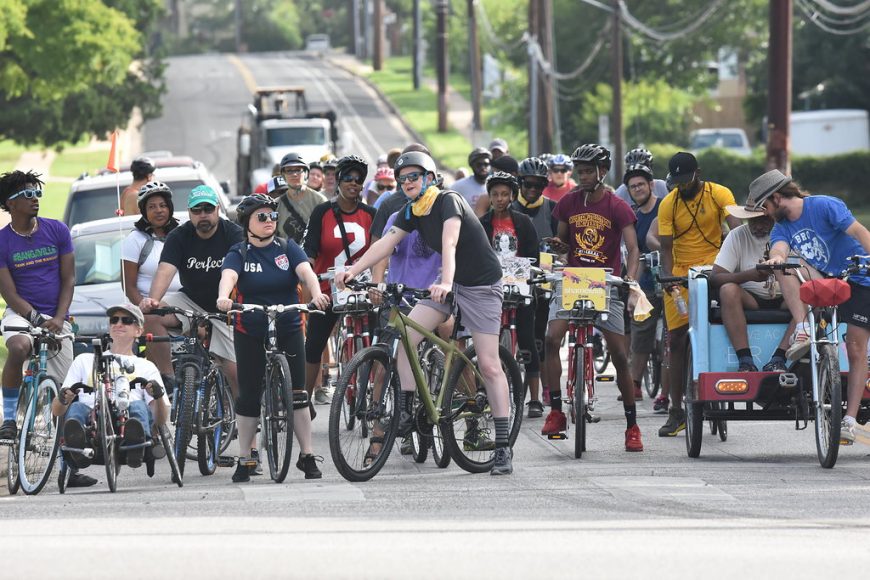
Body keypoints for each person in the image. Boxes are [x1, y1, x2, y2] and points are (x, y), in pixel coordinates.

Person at [336, 150, 516, 476]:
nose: (407, 182)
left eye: (414, 176)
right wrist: (352, 270)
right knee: (407, 335)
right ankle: (405, 411)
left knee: (489, 364)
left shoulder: (448, 201)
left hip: (479, 284)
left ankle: (503, 447)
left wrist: (446, 281)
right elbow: (386, 243)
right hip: (444, 284)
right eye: (402, 178)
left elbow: (449, 242)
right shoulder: (412, 211)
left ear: (429, 178)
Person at [216, 194, 331, 481]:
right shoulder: (239, 253)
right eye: (262, 217)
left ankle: (306, 455)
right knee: (249, 395)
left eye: (272, 216)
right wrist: (222, 297)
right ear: (248, 224)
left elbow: (307, 273)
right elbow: (228, 277)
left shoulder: (287, 248)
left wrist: (316, 295)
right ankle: (246, 458)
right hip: (250, 328)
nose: (269, 222)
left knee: (299, 394)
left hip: (289, 324)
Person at [540, 144, 644, 452]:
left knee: (620, 355)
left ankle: (632, 425)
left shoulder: (617, 206)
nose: (582, 176)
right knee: (551, 339)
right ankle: (556, 410)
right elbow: (562, 244)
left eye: (588, 171)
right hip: (573, 279)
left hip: (605, 281)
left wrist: (631, 280)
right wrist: (557, 248)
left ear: (602, 172)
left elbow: (633, 249)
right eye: (580, 171)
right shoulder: (569, 203)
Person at [756, 169, 870, 444]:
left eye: (766, 206)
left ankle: (849, 421)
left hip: (858, 277)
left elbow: (859, 231)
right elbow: (779, 249)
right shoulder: (781, 226)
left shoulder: (823, 205)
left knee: (856, 350)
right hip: (825, 282)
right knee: (785, 266)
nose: (766, 213)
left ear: (776, 197)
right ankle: (804, 328)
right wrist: (776, 259)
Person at [657, 151, 741, 437]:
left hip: (717, 268)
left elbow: (737, 230)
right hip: (681, 275)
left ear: (698, 173)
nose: (682, 185)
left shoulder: (719, 193)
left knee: (720, 323)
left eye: (686, 179)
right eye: (677, 181)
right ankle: (676, 410)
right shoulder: (668, 203)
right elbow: (665, 248)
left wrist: (733, 265)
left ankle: (721, 380)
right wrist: (669, 279)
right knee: (677, 338)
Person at [139, 185, 244, 400]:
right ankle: (167, 378)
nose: (203, 215)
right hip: (191, 300)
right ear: (189, 213)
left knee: (235, 374)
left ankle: (243, 418)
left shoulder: (234, 234)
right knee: (151, 314)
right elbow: (165, 271)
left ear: (217, 210)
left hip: (227, 306)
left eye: (208, 209)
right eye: (197, 210)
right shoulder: (179, 236)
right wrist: (153, 300)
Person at [0, 171, 76, 446]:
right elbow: (8, 291)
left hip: (57, 316)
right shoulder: (2, 241)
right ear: (11, 203)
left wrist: (58, 317)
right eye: (28, 195)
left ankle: (70, 462)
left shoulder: (57, 230)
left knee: (67, 390)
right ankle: (9, 420)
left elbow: (69, 279)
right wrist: (35, 318)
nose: (35, 199)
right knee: (19, 347)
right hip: (21, 314)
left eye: (37, 193)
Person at [52, 304, 169, 471]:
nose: (118, 324)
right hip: (92, 418)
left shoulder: (146, 366)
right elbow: (57, 411)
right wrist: (64, 398)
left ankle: (136, 446)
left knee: (138, 406)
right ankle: (77, 449)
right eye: (114, 320)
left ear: (138, 331)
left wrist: (157, 396)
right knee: (77, 407)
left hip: (128, 414)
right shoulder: (84, 360)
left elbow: (160, 420)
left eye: (127, 320)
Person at [302, 155, 376, 405]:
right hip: (327, 288)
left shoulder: (370, 214)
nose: (353, 183)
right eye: (348, 178)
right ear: (338, 181)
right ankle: (304, 401)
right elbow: (309, 253)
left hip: (364, 288)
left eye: (359, 179)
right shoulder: (322, 212)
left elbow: (380, 252)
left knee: (380, 341)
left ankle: (378, 399)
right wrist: (309, 283)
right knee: (313, 345)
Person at [714, 186, 802, 372]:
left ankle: (779, 357)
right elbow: (715, 278)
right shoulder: (737, 236)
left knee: (812, 294)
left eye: (763, 219)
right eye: (752, 220)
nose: (758, 226)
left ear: (772, 215)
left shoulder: (788, 232)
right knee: (727, 289)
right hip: (751, 299)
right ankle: (745, 360)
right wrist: (750, 275)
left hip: (787, 297)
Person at [480, 172, 543, 419]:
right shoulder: (483, 223)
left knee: (528, 342)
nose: (499, 199)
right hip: (493, 290)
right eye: (495, 194)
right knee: (488, 343)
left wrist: (529, 278)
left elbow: (533, 257)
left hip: (520, 289)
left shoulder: (523, 222)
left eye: (504, 194)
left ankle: (535, 399)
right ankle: (485, 391)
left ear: (512, 196)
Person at [623, 164, 668, 410]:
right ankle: (635, 383)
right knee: (640, 331)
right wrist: (634, 289)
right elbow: (636, 254)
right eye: (632, 186)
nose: (637, 189)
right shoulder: (633, 217)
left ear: (651, 185)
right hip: (647, 281)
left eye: (641, 184)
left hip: (672, 281)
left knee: (671, 339)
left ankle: (667, 393)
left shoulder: (666, 207)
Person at [121, 182, 182, 307]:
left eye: (163, 205)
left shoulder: (182, 235)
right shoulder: (135, 239)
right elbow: (129, 287)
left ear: (170, 208)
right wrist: (144, 307)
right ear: (144, 211)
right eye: (152, 207)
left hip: (184, 307)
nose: (158, 210)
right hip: (151, 308)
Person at [275, 152, 327, 245]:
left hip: (313, 256)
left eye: (298, 170)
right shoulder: (276, 204)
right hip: (286, 255)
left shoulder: (320, 201)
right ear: (283, 175)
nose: (294, 174)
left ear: (306, 173)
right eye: (289, 171)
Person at [452, 147, 492, 217]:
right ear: (472, 166)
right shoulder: (458, 187)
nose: (483, 167)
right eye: (479, 164)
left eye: (486, 164)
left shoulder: (496, 186)